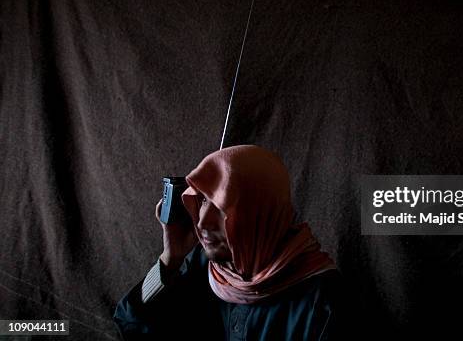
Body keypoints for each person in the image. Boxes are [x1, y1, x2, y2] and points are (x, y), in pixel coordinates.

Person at [113, 145, 346, 340]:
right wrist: (170, 259)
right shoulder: (206, 267)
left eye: (223, 206)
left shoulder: (322, 301)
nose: (203, 222)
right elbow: (130, 324)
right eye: (203, 201)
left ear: (259, 212)